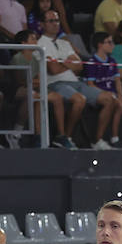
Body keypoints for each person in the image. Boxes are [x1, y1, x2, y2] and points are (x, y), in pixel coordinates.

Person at [37, 10, 90, 148]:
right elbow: (53, 70)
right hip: (56, 83)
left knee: (110, 99)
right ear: (42, 24)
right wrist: (68, 62)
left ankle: (100, 141)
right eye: (51, 21)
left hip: (76, 82)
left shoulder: (65, 43)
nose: (55, 24)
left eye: (57, 20)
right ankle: (63, 136)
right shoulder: (40, 44)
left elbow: (80, 67)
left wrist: (60, 61)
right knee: (80, 100)